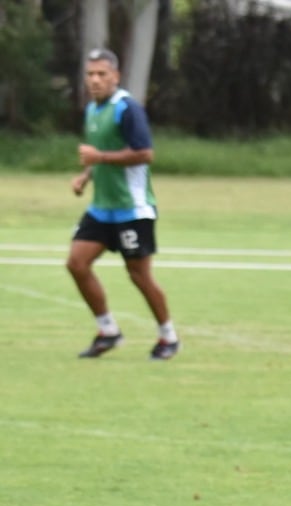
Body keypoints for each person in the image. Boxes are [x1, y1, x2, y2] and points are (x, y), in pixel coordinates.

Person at [67, 49, 178, 361]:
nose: (95, 80)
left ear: (115, 76)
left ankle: (168, 336)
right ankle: (108, 331)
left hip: (133, 209)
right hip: (102, 208)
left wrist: (98, 158)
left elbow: (144, 154)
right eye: (90, 74)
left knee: (138, 275)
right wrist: (86, 176)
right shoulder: (92, 110)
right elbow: (103, 150)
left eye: (102, 74)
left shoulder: (127, 108)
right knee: (76, 264)